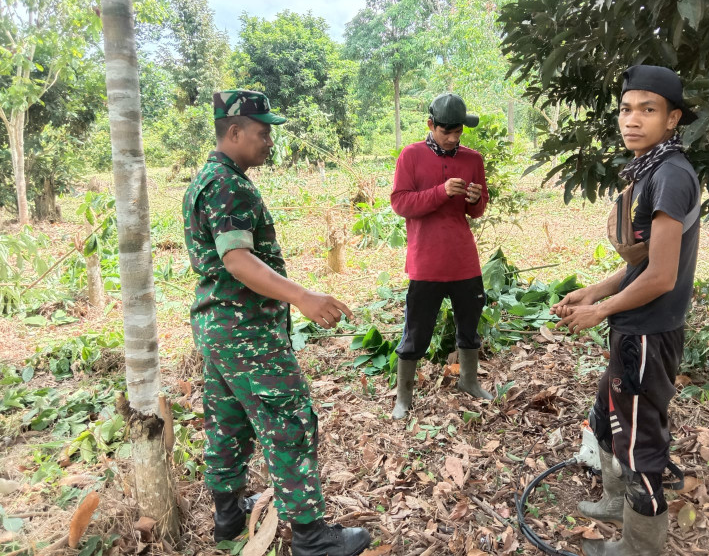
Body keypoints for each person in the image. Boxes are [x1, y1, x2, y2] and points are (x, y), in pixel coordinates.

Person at [182, 89, 371, 556]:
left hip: (218, 327)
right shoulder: (229, 185)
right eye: (263, 132)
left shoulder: (207, 178)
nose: (270, 141)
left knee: (227, 421)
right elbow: (237, 260)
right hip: (246, 332)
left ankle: (228, 516)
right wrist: (303, 296)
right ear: (234, 132)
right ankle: (311, 538)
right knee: (289, 420)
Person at [551, 66, 701, 556]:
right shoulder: (653, 170)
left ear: (673, 118)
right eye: (626, 108)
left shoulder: (671, 177)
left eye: (648, 110)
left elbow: (661, 277)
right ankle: (619, 504)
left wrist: (601, 311)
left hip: (648, 332)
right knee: (606, 418)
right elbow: (641, 264)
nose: (632, 120)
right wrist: (594, 292)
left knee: (641, 447)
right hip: (634, 326)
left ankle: (640, 547)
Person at [390, 93, 492, 420]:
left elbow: (477, 210)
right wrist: (442, 191)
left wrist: (475, 199)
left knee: (470, 325)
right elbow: (401, 204)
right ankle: (403, 397)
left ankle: (469, 381)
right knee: (416, 331)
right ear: (430, 124)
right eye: (446, 131)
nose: (452, 139)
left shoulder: (472, 159)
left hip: (463, 259)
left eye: (458, 132)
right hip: (426, 262)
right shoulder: (411, 156)